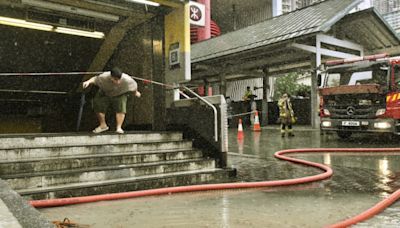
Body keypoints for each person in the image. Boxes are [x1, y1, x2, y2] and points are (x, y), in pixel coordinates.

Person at [82, 67, 141, 134]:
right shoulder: (103, 77)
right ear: (111, 77)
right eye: (115, 79)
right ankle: (103, 125)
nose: (118, 82)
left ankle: (119, 127)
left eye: (119, 79)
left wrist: (136, 92)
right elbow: (95, 79)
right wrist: (88, 82)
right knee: (97, 105)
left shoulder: (127, 80)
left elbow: (134, 86)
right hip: (105, 91)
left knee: (121, 108)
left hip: (120, 93)